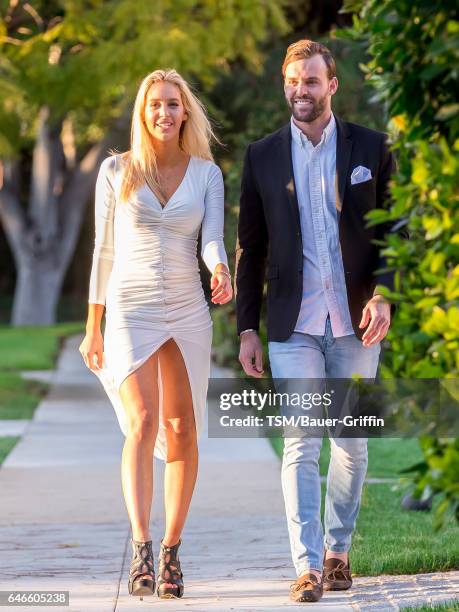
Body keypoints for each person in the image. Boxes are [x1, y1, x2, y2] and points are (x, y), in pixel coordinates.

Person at [235, 40, 395, 603]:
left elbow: (393, 232)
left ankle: (337, 554)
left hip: (355, 321)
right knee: (301, 442)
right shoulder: (262, 156)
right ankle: (304, 565)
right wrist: (246, 328)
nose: (300, 90)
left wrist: (383, 293)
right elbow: (249, 248)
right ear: (285, 86)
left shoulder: (372, 148)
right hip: (293, 322)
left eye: (311, 81)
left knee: (351, 443)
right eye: (292, 82)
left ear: (332, 86)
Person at [79, 69, 232, 600]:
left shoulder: (207, 174)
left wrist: (220, 269)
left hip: (187, 306)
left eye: (173, 104)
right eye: (155, 105)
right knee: (142, 422)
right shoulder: (116, 170)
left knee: (183, 430)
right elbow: (103, 250)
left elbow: (211, 239)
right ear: (142, 114)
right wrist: (93, 325)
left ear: (185, 111)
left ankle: (171, 552)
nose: (164, 113)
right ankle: (141, 546)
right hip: (129, 306)